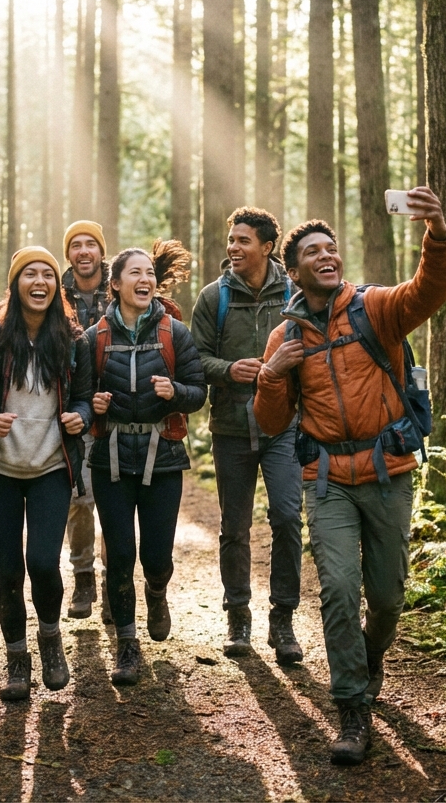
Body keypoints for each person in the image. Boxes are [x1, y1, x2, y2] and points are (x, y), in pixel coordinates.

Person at [254, 187, 446, 766]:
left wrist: (436, 233)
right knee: (340, 588)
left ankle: (370, 658)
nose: (326, 256)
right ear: (292, 270)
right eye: (312, 251)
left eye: (331, 248)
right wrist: (271, 375)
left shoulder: (375, 308)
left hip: (388, 471)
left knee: (387, 595)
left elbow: (430, 289)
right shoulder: (285, 338)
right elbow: (271, 423)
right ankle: (350, 709)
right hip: (328, 481)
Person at [0, 247, 94, 701]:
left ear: (57, 286)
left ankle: (51, 642)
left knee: (41, 563)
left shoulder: (73, 340)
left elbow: (86, 398)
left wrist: (80, 416)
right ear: (15, 284)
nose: (40, 282)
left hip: (51, 468)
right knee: (9, 572)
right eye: (29, 274)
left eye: (47, 275)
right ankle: (17, 661)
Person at [85, 240, 207, 686]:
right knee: (119, 555)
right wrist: (92, 404)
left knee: (156, 555)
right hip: (111, 459)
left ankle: (157, 591)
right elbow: (79, 397)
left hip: (164, 458)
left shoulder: (175, 333)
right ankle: (127, 646)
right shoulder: (94, 337)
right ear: (115, 284)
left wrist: (175, 393)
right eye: (134, 273)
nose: (145, 280)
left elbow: (198, 391)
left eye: (149, 274)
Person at [190, 208, 303, 664]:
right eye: (230, 240)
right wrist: (230, 370)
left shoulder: (296, 292)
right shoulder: (212, 297)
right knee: (234, 527)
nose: (233, 248)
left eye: (242, 241)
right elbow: (193, 360)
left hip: (284, 425)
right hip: (231, 427)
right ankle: (238, 616)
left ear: (267, 246)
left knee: (287, 518)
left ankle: (284, 619)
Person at [60, 221, 111, 621]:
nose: (83, 251)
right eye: (75, 245)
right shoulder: (54, 294)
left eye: (90, 244)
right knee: (79, 501)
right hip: (74, 409)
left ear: (101, 252)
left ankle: (115, 584)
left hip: (119, 409)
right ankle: (82, 578)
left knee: (115, 503)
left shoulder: (122, 287)